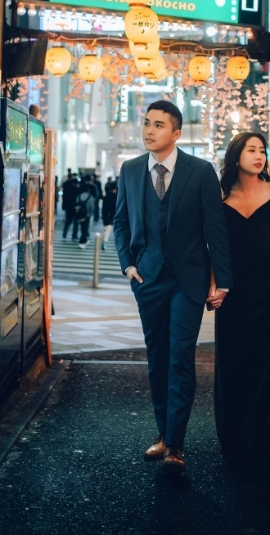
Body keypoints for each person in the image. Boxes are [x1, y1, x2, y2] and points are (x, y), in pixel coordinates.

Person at [112, 100, 233, 475]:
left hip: (187, 281)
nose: (149, 130)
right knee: (157, 358)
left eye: (159, 125)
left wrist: (223, 280)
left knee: (180, 357)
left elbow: (216, 228)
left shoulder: (200, 171)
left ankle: (176, 445)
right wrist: (128, 266)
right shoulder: (131, 170)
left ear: (176, 133)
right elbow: (120, 222)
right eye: (146, 123)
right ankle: (163, 433)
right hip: (147, 279)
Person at [212, 132, 270, 458]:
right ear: (236, 157)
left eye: (262, 150)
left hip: (268, 289)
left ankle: (268, 435)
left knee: (269, 361)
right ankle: (235, 437)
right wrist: (213, 284)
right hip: (233, 292)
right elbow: (212, 247)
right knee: (235, 363)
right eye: (251, 150)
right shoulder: (219, 196)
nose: (259, 156)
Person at [75, 173, 98, 247]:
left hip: (80, 210)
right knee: (86, 225)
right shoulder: (93, 189)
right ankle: (83, 240)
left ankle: (83, 238)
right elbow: (95, 199)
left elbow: (77, 200)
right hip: (88, 211)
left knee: (82, 225)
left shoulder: (81, 190)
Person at [61, 170, 80, 239]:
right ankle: (74, 235)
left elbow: (64, 198)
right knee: (76, 222)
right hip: (75, 208)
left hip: (68, 208)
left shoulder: (67, 189)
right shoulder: (77, 190)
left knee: (68, 221)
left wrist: (64, 206)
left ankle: (64, 234)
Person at [101, 177, 118, 243]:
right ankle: (117, 243)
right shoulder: (117, 197)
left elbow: (104, 208)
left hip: (107, 215)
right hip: (115, 215)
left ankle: (104, 241)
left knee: (107, 229)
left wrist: (103, 215)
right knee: (118, 230)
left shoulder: (106, 197)